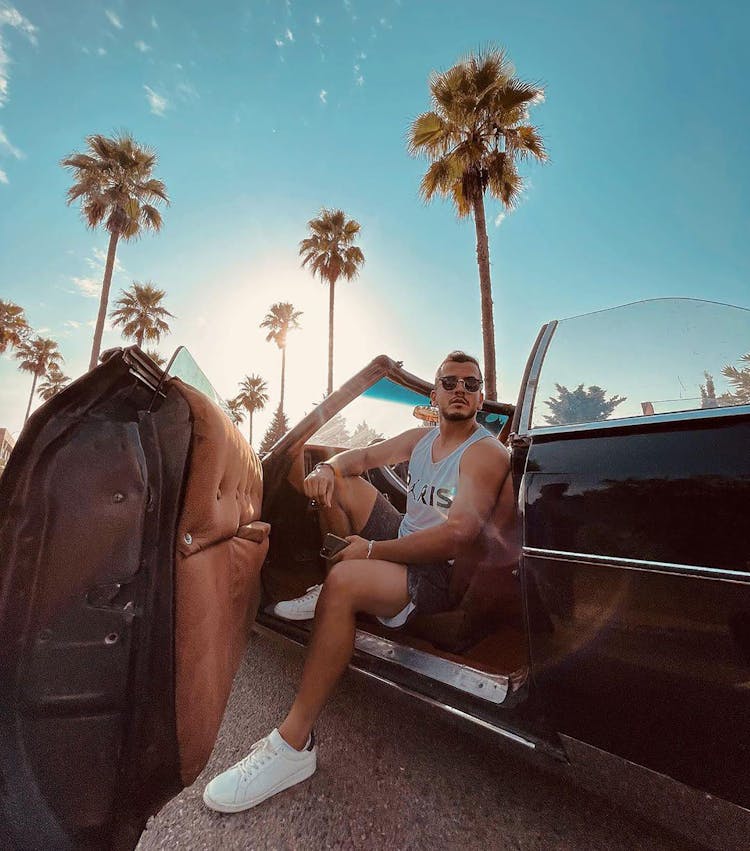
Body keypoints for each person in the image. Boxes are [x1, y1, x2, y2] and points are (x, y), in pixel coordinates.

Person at [202, 351, 511, 813]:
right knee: (343, 482)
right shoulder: (421, 439)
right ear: (435, 393)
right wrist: (328, 468)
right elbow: (362, 456)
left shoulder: (484, 452)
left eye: (471, 384)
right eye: (450, 382)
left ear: (481, 396)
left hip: (436, 574)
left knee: (346, 579)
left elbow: (456, 535)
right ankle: (334, 594)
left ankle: (292, 747)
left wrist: (370, 550)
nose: (460, 390)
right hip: (406, 539)